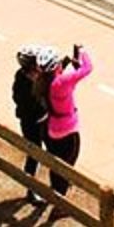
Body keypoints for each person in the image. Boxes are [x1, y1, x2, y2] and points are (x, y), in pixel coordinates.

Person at [39, 44, 92, 197]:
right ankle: (60, 203)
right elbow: (87, 68)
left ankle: (55, 190)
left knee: (56, 164)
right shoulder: (62, 82)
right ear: (56, 67)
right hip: (68, 130)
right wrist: (83, 52)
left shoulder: (43, 82)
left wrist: (68, 63)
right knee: (67, 166)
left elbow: (66, 78)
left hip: (51, 129)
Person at [12, 45, 49, 202]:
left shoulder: (31, 77)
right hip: (31, 122)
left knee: (49, 152)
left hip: (42, 119)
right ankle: (30, 189)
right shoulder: (23, 81)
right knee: (34, 154)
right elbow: (24, 102)